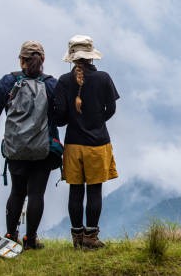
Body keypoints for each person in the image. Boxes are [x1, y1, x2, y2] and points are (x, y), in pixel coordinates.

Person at [0, 41, 59, 250]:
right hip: (43, 148)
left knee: (17, 192)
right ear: (42, 60)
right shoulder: (51, 84)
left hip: (16, 148)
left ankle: (9, 235)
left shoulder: (8, 82)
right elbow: (59, 116)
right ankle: (30, 240)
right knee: (36, 194)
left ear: (21, 60)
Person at [53, 34, 119, 249]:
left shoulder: (63, 81)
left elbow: (60, 118)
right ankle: (91, 237)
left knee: (75, 191)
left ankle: (77, 238)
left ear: (72, 57)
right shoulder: (104, 78)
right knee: (94, 191)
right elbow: (112, 109)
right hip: (98, 144)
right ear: (92, 56)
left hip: (73, 144)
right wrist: (97, 122)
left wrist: (74, 119)